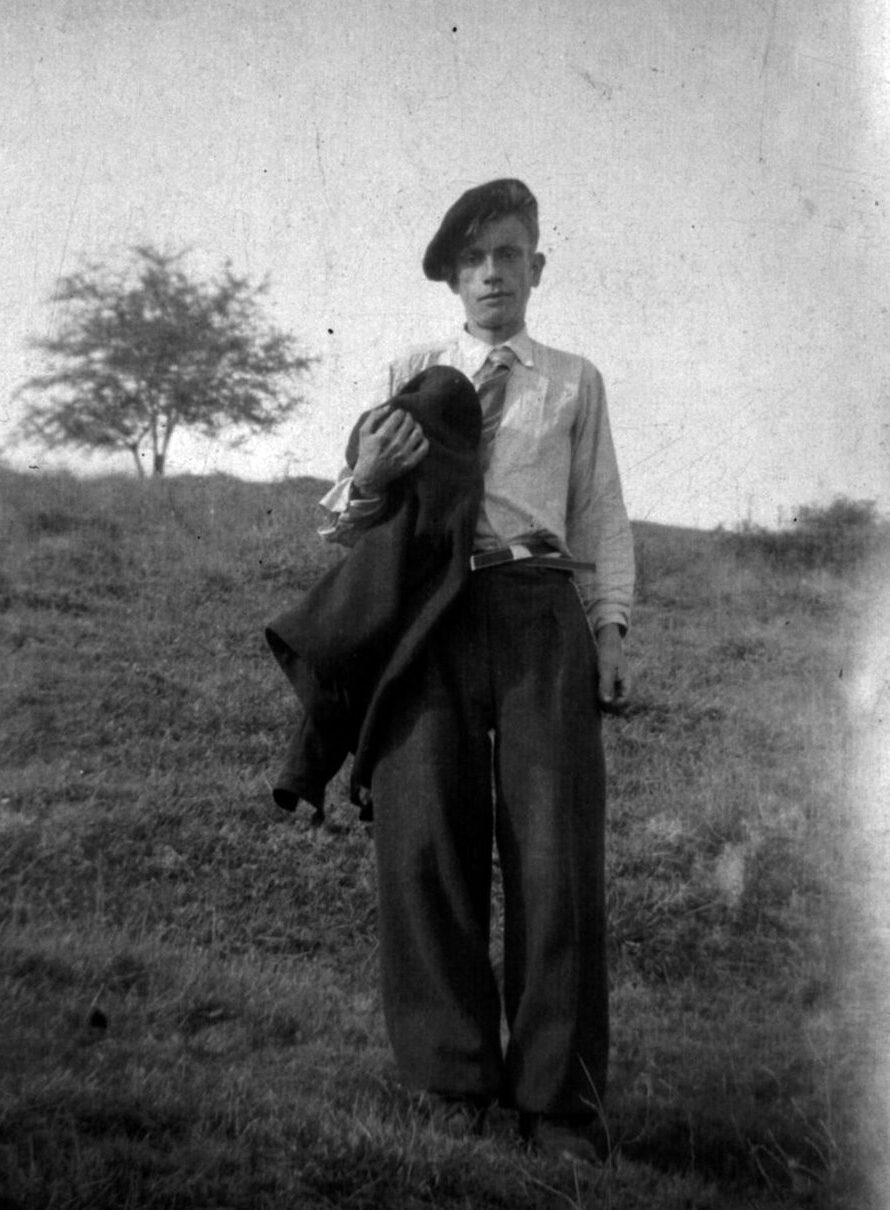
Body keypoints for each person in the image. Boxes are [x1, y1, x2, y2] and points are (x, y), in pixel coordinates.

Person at [319, 178, 634, 1165]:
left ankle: (557, 1104)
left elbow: (599, 516)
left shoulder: (572, 380)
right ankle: (450, 1081)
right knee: (424, 846)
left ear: (537, 266)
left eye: (508, 254)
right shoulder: (411, 369)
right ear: (451, 278)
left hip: (539, 612)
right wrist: (369, 476)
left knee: (553, 854)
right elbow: (347, 516)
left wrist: (611, 627)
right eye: (471, 259)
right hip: (432, 619)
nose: (491, 273)